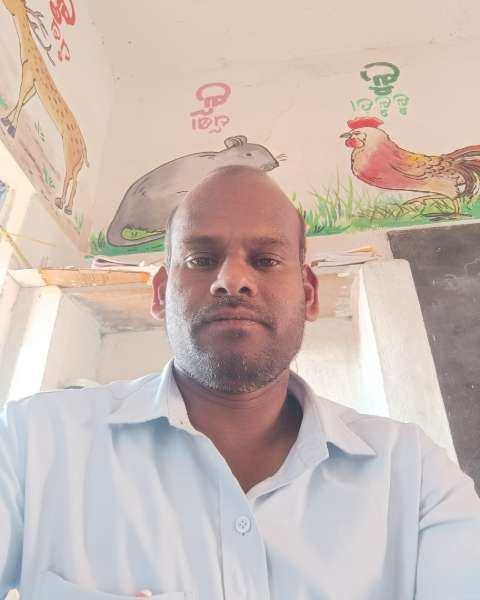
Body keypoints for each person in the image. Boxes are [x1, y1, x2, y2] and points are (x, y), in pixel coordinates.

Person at [1, 165, 479, 600]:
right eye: (201, 259)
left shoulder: (414, 475)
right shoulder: (30, 444)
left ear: (309, 294)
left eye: (266, 260)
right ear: (161, 294)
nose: (231, 280)